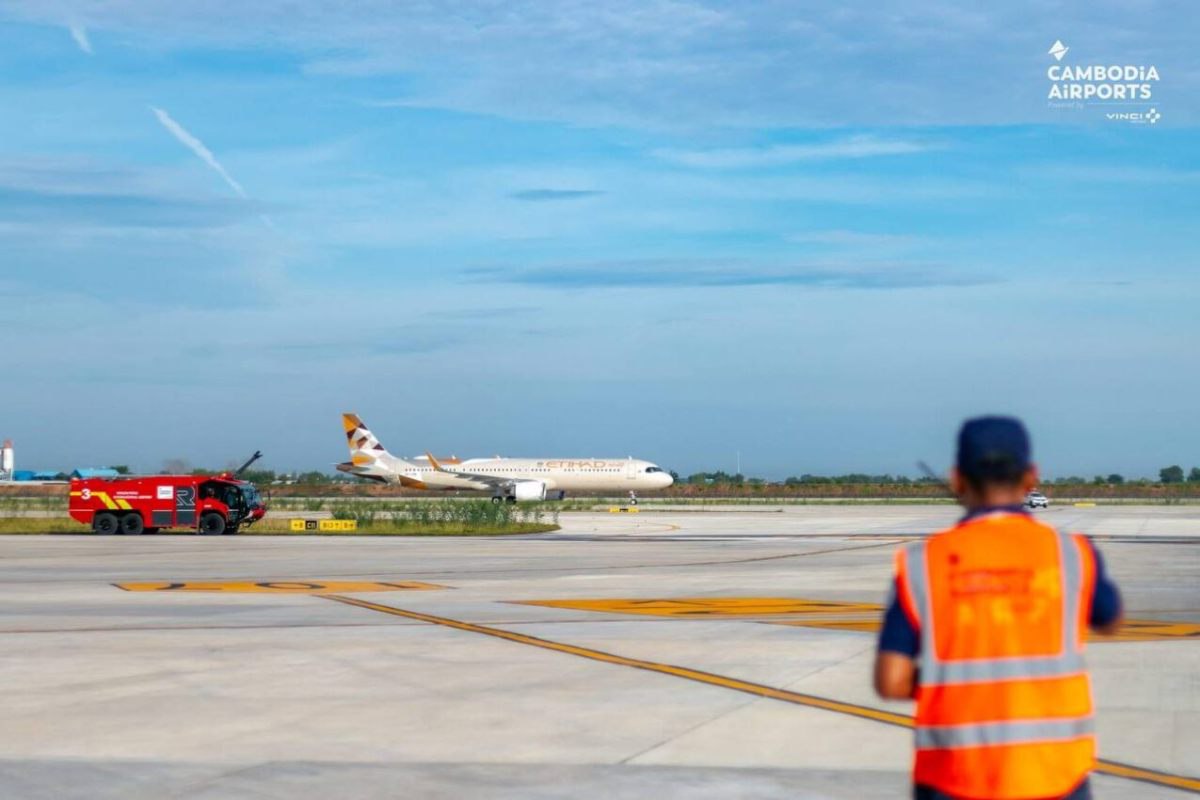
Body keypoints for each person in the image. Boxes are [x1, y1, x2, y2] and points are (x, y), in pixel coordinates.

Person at [874, 416, 1122, 800]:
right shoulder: (1072, 554)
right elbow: (1110, 618)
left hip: (954, 777)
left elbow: (891, 681)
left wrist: (950, 679)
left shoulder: (922, 563)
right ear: (1031, 477)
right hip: (1055, 774)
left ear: (957, 479)